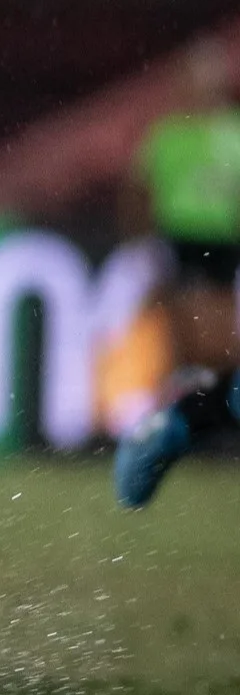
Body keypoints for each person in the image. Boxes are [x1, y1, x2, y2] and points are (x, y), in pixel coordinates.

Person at [112, 52, 240, 507]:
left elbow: (137, 189)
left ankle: (182, 419)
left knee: (214, 344)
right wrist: (144, 246)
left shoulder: (204, 133)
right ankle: (179, 419)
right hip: (187, 239)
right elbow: (140, 189)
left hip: (217, 241)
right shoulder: (171, 136)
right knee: (195, 341)